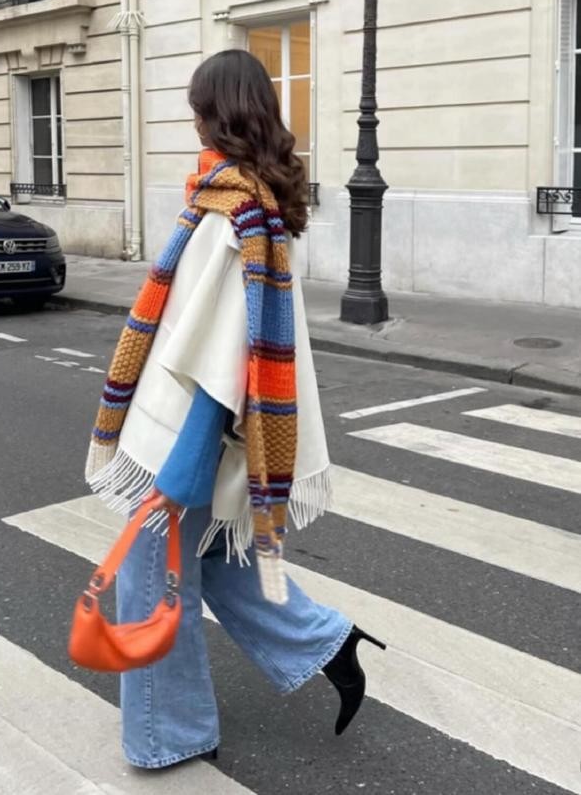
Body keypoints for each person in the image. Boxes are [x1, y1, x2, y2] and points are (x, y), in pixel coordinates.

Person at [84, 49, 385, 770]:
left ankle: (171, 734)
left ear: (217, 115)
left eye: (197, 109)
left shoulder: (233, 215)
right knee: (217, 560)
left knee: (151, 579)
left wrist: (179, 475)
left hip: (189, 441)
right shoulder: (237, 201)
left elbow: (224, 359)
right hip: (203, 434)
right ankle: (327, 642)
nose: (192, 122)